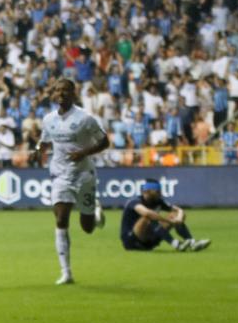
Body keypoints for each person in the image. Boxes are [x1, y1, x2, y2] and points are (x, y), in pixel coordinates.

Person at [32, 79, 110, 285]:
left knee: (87, 228)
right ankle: (66, 272)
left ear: (73, 94)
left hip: (83, 174)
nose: (61, 94)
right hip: (60, 174)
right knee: (60, 219)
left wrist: (84, 152)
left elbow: (105, 142)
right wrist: (39, 149)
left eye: (65, 90)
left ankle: (94, 213)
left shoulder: (86, 119)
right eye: (57, 90)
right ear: (54, 94)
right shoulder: (49, 119)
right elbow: (45, 140)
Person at [120, 180, 210, 252]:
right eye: (157, 191)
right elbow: (147, 213)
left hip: (149, 242)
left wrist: (178, 219)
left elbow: (179, 210)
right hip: (132, 241)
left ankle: (192, 242)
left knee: (174, 215)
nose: (160, 193)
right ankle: (176, 244)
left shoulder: (158, 201)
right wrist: (170, 222)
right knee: (149, 217)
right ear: (147, 191)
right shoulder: (134, 201)